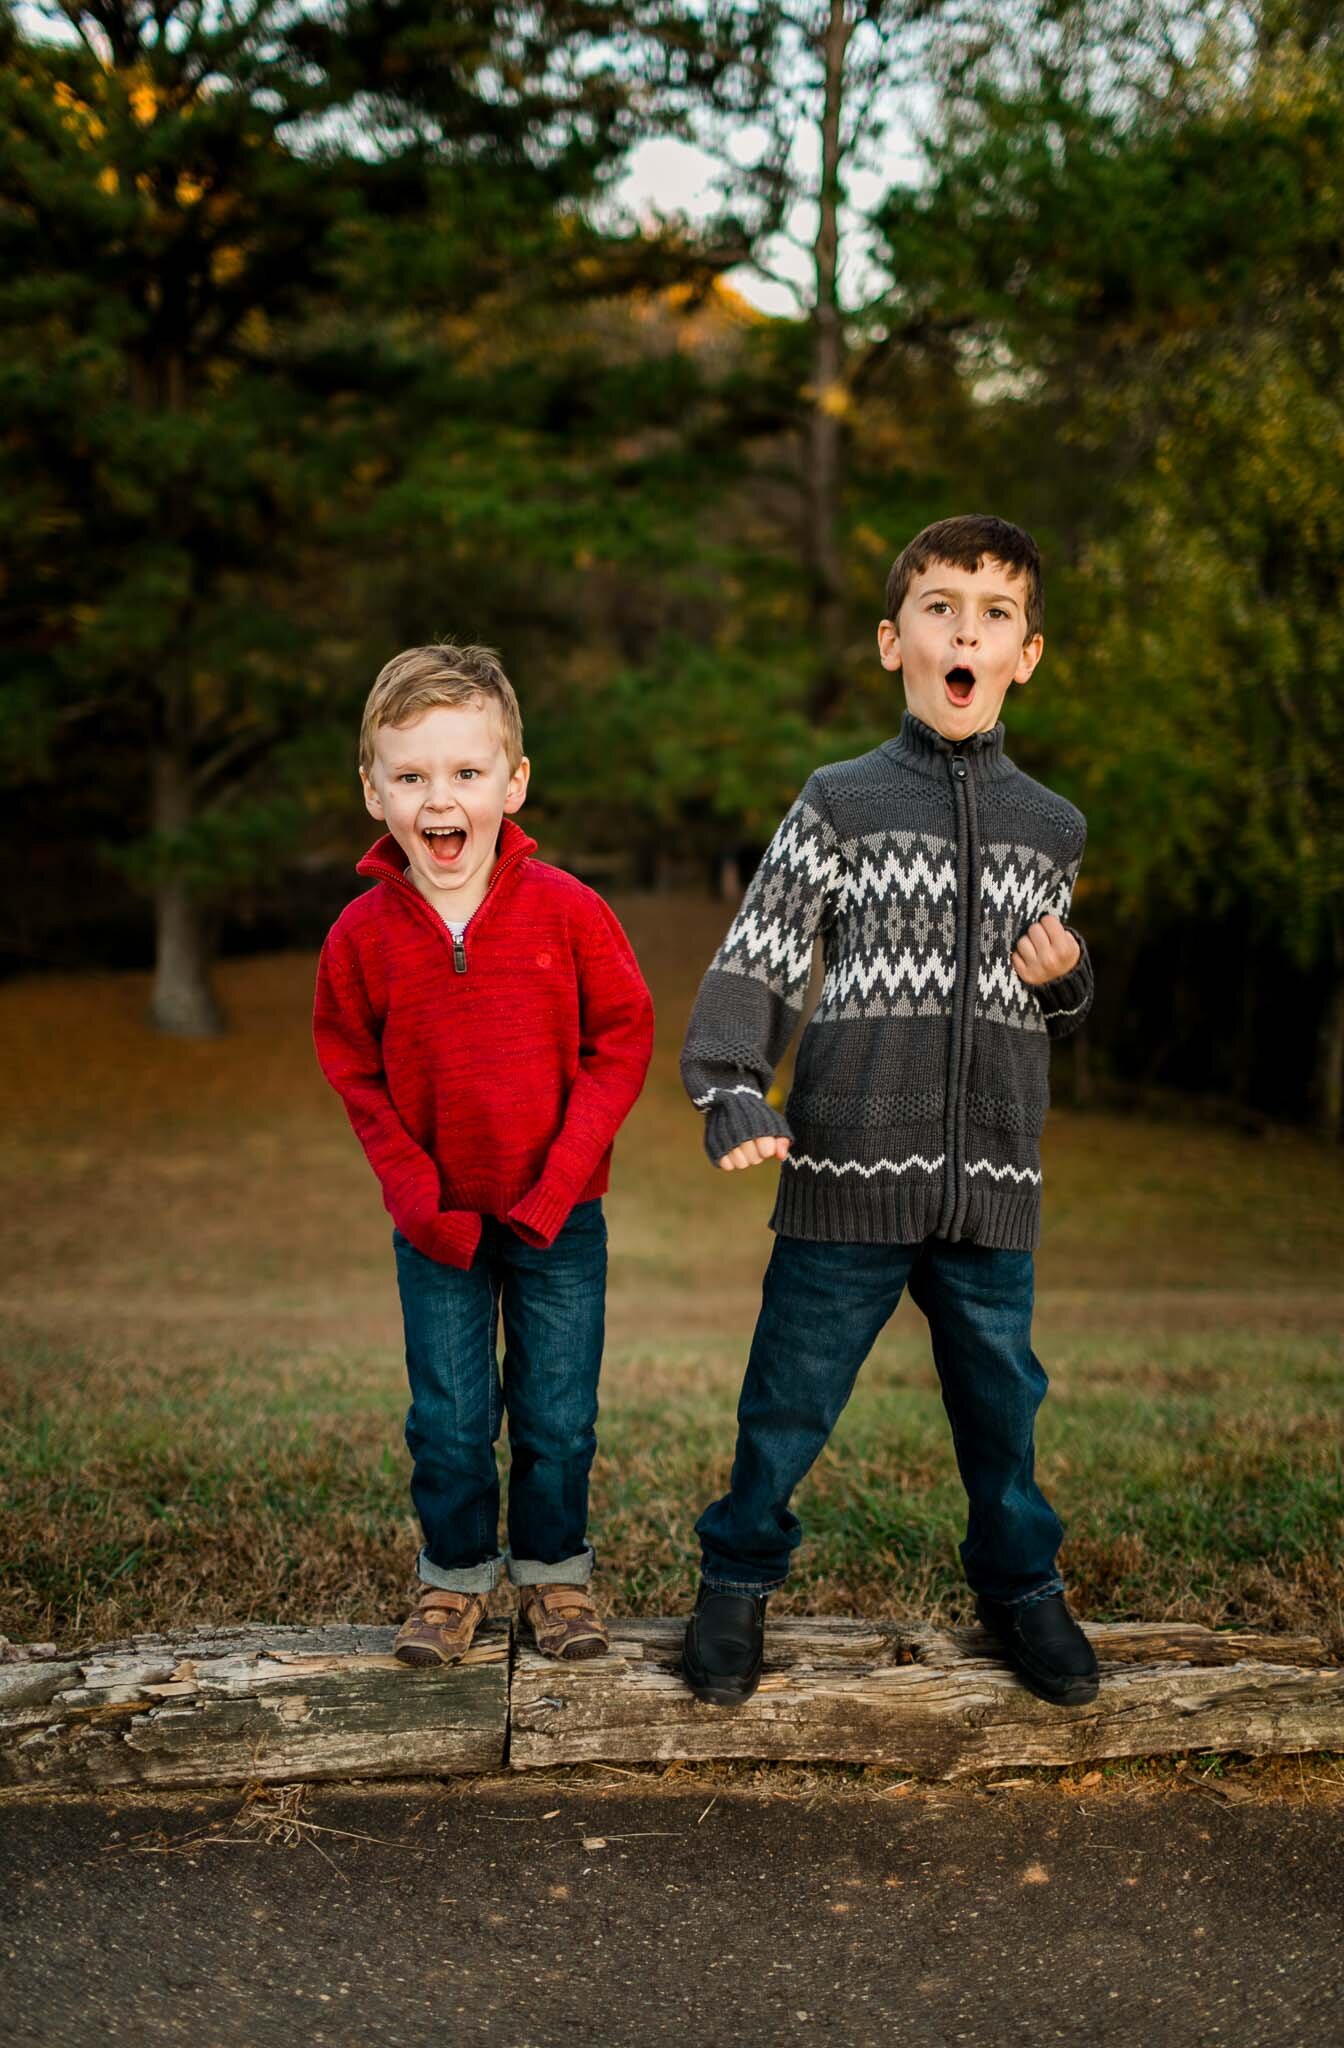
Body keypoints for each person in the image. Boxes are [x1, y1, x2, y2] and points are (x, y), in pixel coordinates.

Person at [679, 515, 1099, 1710]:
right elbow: (761, 951)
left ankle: (1021, 1584)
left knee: (1003, 1407)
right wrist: (727, 1084)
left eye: (996, 612)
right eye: (941, 607)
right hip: (849, 1169)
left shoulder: (1052, 825)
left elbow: (1051, 990)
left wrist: (1067, 976)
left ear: (1026, 654)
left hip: (994, 1180)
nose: (967, 627)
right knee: (788, 1396)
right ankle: (738, 1576)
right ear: (892, 640)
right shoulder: (839, 801)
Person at [314, 644, 653, 1667]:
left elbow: (622, 1041)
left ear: (513, 782)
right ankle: (452, 1579)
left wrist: (558, 1182)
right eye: (411, 776)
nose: (439, 798)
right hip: (439, 1226)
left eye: (465, 772)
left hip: (561, 1216)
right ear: (373, 790)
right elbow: (355, 1073)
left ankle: (555, 1576)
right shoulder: (362, 937)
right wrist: (418, 1196)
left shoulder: (570, 911)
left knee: (557, 1414)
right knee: (451, 1418)